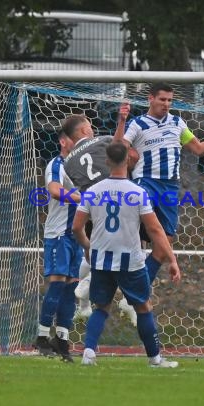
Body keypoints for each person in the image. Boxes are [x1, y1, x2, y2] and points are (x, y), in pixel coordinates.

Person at [72, 142, 181, 367]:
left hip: (101, 260)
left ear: (107, 161)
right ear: (129, 161)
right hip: (130, 262)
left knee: (101, 308)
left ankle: (88, 354)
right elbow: (155, 229)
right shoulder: (138, 192)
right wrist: (172, 259)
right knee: (143, 307)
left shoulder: (92, 191)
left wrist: (87, 246)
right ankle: (155, 359)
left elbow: (76, 227)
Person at [114, 83, 204, 284]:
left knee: (164, 245)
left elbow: (198, 148)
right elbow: (118, 148)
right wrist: (121, 121)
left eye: (170, 100)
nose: (167, 104)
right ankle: (116, 267)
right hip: (145, 182)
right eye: (163, 99)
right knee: (140, 230)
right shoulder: (137, 124)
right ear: (150, 99)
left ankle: (140, 286)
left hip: (170, 187)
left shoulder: (178, 123)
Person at [61, 112, 139, 325]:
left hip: (92, 206)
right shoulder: (102, 141)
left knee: (98, 248)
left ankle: (88, 291)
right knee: (126, 248)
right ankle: (90, 284)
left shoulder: (67, 163)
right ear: (85, 130)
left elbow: (74, 189)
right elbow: (118, 146)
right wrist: (122, 122)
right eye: (90, 126)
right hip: (115, 197)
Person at [34, 130, 83, 362]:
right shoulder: (57, 164)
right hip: (59, 233)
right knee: (57, 283)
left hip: (77, 235)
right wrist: (83, 198)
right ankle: (42, 336)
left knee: (71, 288)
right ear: (63, 141)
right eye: (79, 135)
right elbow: (54, 191)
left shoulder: (85, 165)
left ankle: (61, 340)